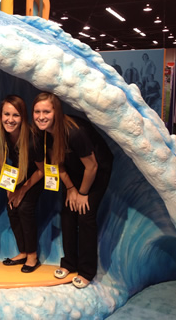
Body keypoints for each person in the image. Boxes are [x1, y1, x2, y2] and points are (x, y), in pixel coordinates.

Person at [32, 92, 113, 288]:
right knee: (68, 213)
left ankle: (87, 271)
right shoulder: (43, 133)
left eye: (46, 111)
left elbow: (92, 167)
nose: (41, 116)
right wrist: (70, 188)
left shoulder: (75, 132)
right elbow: (57, 163)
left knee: (85, 215)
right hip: (73, 170)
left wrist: (82, 193)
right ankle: (69, 263)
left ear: (56, 112)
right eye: (37, 111)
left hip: (96, 170)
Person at [0, 95, 44, 273]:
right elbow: (1, 163)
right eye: (6, 114)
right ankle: (23, 252)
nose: (10, 119)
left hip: (36, 176)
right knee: (11, 207)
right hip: (16, 175)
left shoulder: (32, 140)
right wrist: (10, 189)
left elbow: (42, 171)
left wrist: (22, 190)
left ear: (23, 117)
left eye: (15, 115)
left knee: (24, 208)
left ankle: (32, 256)